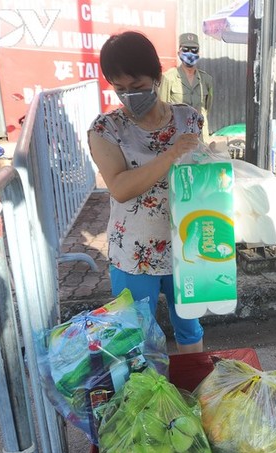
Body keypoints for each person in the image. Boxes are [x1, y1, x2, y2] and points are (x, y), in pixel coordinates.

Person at [87, 31, 204, 354]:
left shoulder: (189, 119)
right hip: (135, 252)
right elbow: (120, 188)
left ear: (155, 77)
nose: (128, 96)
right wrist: (170, 155)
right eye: (119, 88)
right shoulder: (105, 129)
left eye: (137, 87)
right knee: (137, 337)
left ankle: (196, 393)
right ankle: (151, 403)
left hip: (187, 247)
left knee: (190, 327)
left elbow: (199, 174)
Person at [159, 33, 214, 139]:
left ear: (199, 53)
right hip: (177, 134)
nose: (190, 53)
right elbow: (162, 109)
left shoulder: (206, 80)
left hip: (200, 135)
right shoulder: (168, 78)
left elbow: (207, 107)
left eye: (194, 50)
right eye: (186, 50)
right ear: (178, 52)